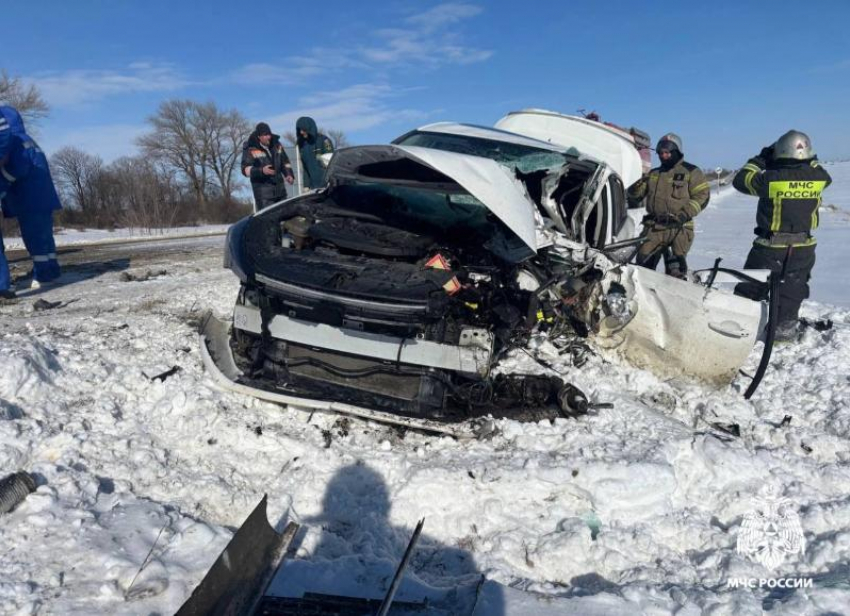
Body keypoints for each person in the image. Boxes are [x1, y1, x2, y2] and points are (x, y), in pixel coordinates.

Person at [732, 130, 832, 341]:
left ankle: (736, 327)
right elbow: (819, 170)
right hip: (804, 248)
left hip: (770, 247)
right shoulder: (820, 177)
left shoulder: (772, 179)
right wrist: (808, 160)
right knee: (792, 290)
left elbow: (741, 180)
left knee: (751, 285)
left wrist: (760, 159)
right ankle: (783, 332)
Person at [628, 133, 710, 279]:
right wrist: (636, 185)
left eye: (667, 152)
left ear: (676, 151)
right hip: (654, 227)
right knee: (642, 267)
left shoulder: (691, 172)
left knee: (675, 272)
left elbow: (702, 196)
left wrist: (684, 214)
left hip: (679, 227)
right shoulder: (654, 173)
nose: (663, 156)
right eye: (660, 153)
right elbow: (636, 197)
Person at [0, 105, 63, 293]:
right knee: (44, 237)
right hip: (41, 197)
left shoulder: (17, 143)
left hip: (29, 198)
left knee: (35, 237)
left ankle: (43, 275)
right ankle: (51, 270)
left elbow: (16, 169)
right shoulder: (27, 140)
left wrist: (2, 187)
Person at [241, 122, 294, 211]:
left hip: (280, 192)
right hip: (264, 196)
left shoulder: (277, 144)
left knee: (285, 219)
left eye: (269, 134)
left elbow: (285, 161)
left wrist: (289, 174)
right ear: (259, 136)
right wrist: (262, 171)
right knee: (269, 222)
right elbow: (245, 170)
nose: (268, 137)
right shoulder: (250, 148)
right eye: (265, 135)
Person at [295, 116, 334, 190]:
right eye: (300, 130)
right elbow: (305, 167)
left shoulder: (324, 141)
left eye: (303, 129)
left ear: (309, 128)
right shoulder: (302, 146)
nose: (301, 132)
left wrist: (330, 182)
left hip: (327, 185)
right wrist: (306, 185)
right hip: (313, 187)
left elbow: (331, 164)